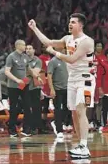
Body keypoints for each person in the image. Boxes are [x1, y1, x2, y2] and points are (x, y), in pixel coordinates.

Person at [28, 13, 95, 158]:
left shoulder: (87, 41)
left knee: (80, 109)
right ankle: (80, 144)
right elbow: (48, 42)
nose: (70, 24)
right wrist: (35, 29)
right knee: (73, 113)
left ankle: (84, 145)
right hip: (72, 79)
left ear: (81, 25)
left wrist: (55, 53)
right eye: (69, 22)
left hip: (86, 79)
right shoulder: (67, 39)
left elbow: (71, 59)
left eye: (73, 22)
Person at [5, 40, 40, 137]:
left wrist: (37, 77)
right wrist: (16, 80)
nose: (25, 47)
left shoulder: (25, 57)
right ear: (18, 46)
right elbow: (7, 72)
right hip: (13, 86)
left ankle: (26, 129)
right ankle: (12, 129)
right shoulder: (11, 57)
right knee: (13, 108)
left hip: (24, 84)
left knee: (27, 107)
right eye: (24, 45)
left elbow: (29, 70)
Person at [47, 48, 72, 138]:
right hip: (57, 89)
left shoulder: (67, 60)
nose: (63, 51)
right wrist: (51, 89)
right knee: (58, 109)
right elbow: (49, 76)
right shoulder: (53, 61)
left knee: (67, 108)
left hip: (67, 88)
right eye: (61, 50)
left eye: (64, 50)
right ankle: (59, 129)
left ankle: (57, 121)